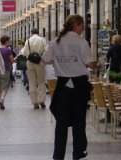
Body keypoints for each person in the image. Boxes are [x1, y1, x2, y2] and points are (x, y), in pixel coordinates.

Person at [42, 14, 99, 160]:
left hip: (62, 86)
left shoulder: (55, 42)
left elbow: (45, 60)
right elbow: (89, 63)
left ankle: (58, 155)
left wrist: (61, 62)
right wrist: (97, 64)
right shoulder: (81, 42)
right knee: (79, 121)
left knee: (61, 123)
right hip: (79, 86)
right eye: (82, 26)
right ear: (76, 25)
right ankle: (78, 152)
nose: (83, 29)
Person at [22, 28, 46, 109]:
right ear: (38, 33)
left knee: (32, 83)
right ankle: (42, 100)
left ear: (31, 33)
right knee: (41, 82)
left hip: (30, 63)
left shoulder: (28, 41)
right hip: (40, 63)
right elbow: (46, 51)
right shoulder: (42, 40)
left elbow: (24, 53)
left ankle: (35, 102)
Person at [0, 35, 15, 110]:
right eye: (9, 40)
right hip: (6, 69)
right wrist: (17, 58)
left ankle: (1, 101)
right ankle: (2, 99)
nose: (10, 41)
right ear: (6, 41)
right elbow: (12, 60)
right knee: (5, 86)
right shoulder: (8, 50)